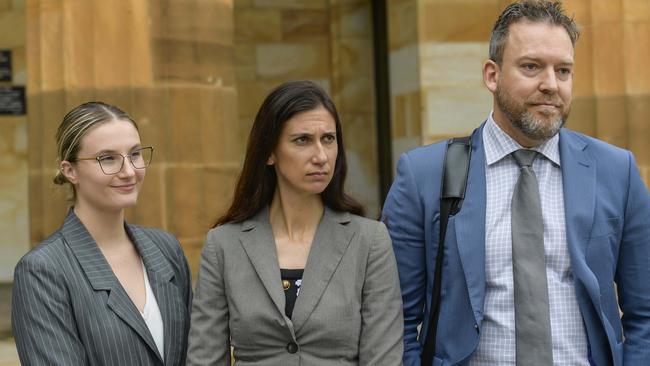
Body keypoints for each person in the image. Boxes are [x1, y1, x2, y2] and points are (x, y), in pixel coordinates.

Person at [382, 1, 650, 365]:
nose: (551, 85)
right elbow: (393, 321)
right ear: (492, 75)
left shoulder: (616, 171)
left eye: (564, 70)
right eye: (531, 67)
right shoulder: (423, 176)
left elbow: (644, 313)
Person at [187, 80, 403, 365]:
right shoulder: (224, 244)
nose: (321, 156)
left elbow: (383, 358)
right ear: (269, 152)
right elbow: (205, 358)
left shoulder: (370, 240)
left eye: (328, 139)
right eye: (302, 140)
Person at [12, 102, 192, 365]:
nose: (129, 171)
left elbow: (198, 352)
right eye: (107, 158)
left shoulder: (166, 248)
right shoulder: (42, 269)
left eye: (135, 154)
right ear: (69, 170)